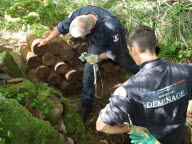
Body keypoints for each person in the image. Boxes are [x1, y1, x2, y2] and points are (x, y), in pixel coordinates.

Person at [32, 5, 139, 122]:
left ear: (90, 30)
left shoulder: (111, 25)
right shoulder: (80, 14)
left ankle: (148, 77)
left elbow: (115, 52)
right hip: (97, 44)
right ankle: (86, 104)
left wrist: (98, 57)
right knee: (88, 73)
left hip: (117, 43)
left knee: (129, 63)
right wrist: (46, 40)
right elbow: (62, 27)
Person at [96, 25, 192, 144]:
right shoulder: (185, 71)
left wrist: (130, 128)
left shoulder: (128, 90)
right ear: (153, 44)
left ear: (133, 50)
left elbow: (101, 125)